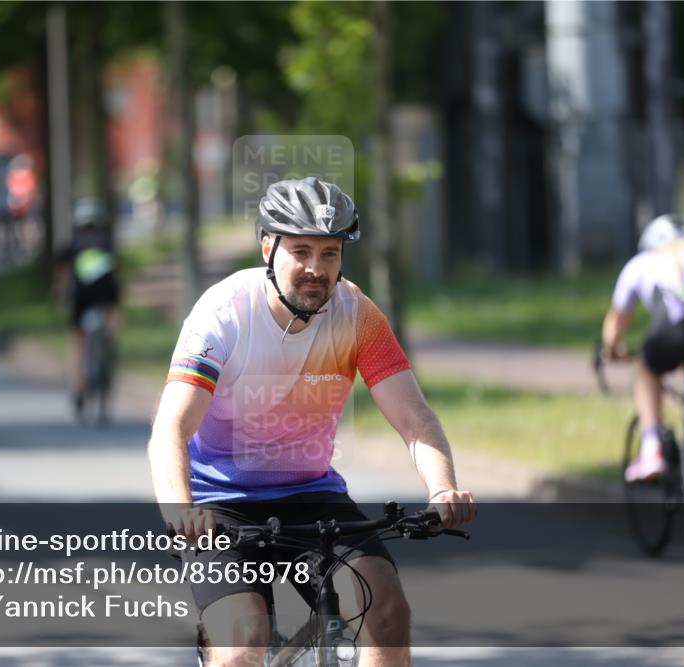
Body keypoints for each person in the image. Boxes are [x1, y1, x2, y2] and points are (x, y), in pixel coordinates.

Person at [147, 176, 476, 666]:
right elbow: (171, 428)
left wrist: (442, 488)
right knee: (242, 639)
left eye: (329, 254)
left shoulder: (357, 314)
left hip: (312, 495)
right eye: (300, 251)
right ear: (267, 247)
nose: (315, 270)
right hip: (220, 504)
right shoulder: (224, 313)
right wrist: (180, 511)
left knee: (384, 609)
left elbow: (414, 418)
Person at [601, 213, 684, 485]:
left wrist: (611, 350)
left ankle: (651, 449)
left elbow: (617, 322)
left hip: (674, 331)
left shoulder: (640, 263)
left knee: (647, 368)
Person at [54, 197, 121, 424]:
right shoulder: (107, 243)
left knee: (78, 347)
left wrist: (59, 294)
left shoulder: (72, 244)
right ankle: (110, 352)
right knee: (111, 336)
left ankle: (78, 387)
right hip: (107, 299)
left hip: (80, 300)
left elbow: (62, 275)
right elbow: (116, 274)